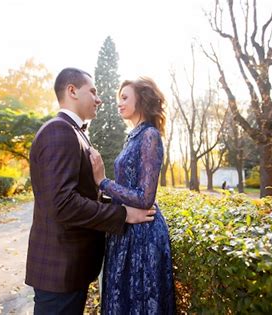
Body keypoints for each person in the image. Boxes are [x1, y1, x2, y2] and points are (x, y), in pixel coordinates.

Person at [25, 68, 156, 315]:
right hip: (59, 270)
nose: (100, 99)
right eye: (93, 91)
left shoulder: (76, 133)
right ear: (72, 91)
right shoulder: (59, 131)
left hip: (72, 269)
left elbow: (84, 195)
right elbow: (63, 203)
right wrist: (122, 214)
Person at [89, 77, 176, 314]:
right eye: (119, 98)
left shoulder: (149, 135)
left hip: (143, 235)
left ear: (142, 99)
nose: (119, 103)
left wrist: (103, 182)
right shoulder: (133, 136)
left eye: (125, 97)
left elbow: (145, 197)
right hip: (126, 230)